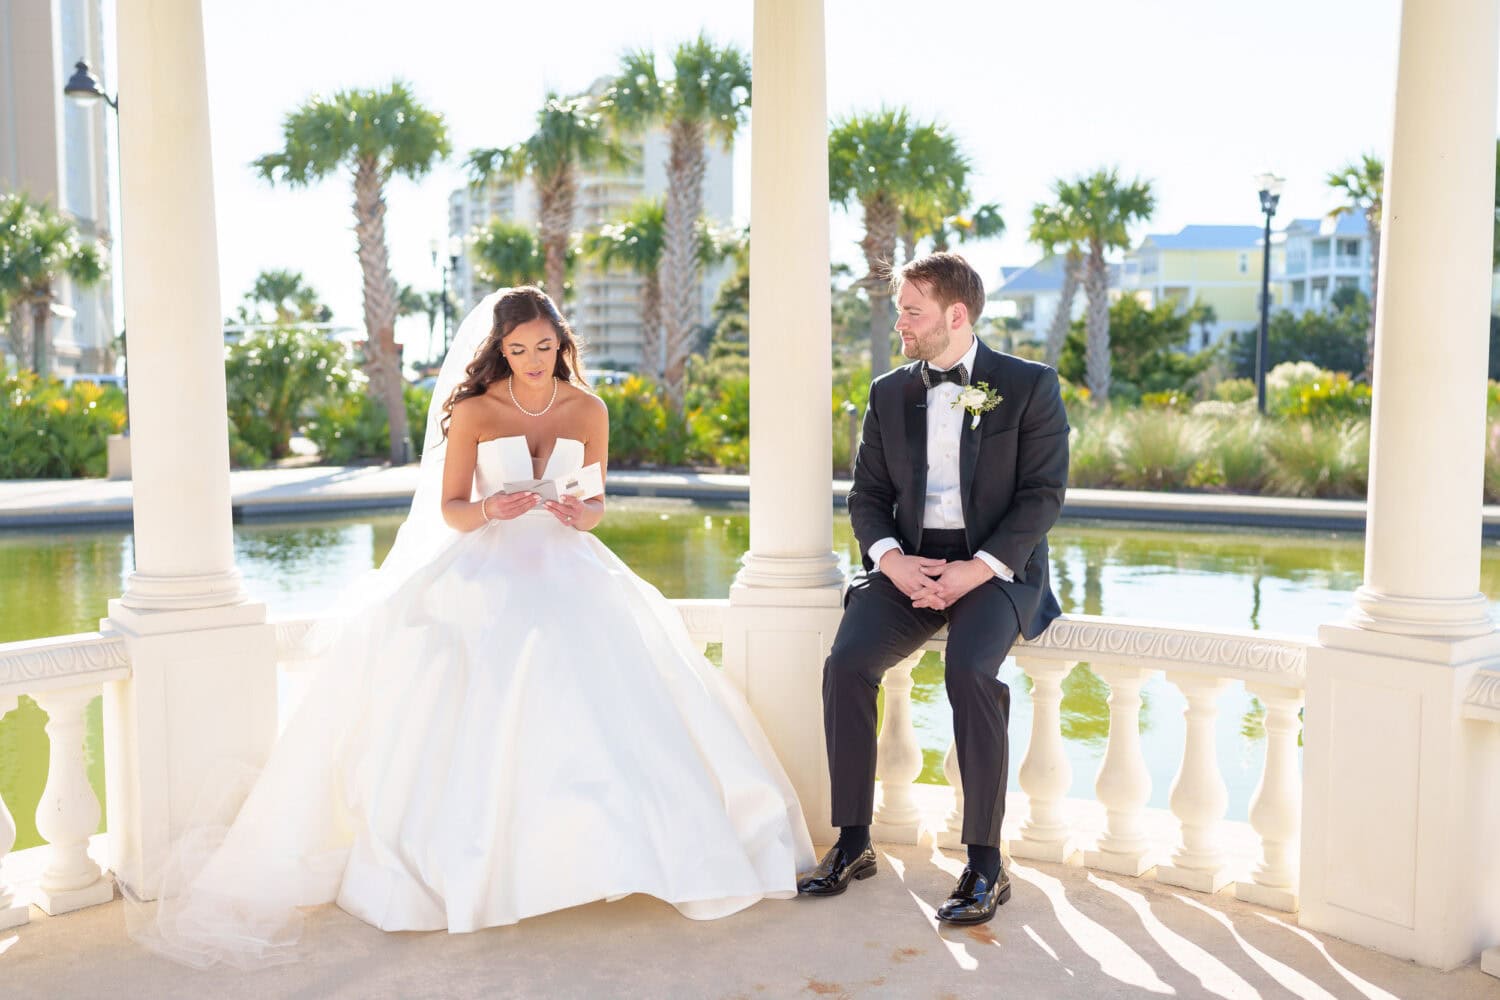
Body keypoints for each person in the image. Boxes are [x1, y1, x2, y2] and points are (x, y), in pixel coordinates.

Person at [131, 287, 813, 968]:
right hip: (489, 559)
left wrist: (584, 515)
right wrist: (492, 507)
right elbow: (452, 508)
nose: (533, 360)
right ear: (499, 350)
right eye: (518, 350)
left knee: (616, 680)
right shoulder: (474, 411)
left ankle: (619, 855)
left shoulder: (590, 408)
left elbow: (598, 497)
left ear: (561, 342)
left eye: (544, 347)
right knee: (494, 669)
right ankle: (482, 873)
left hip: (569, 560)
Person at [797, 253, 1068, 925]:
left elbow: (1042, 496)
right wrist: (892, 563)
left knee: (971, 671)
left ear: (957, 314)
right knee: (847, 665)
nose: (900, 322)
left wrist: (979, 568)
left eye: (911, 310)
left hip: (997, 568)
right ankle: (854, 842)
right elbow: (868, 497)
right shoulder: (890, 392)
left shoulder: (1029, 385)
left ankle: (984, 863)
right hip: (909, 564)